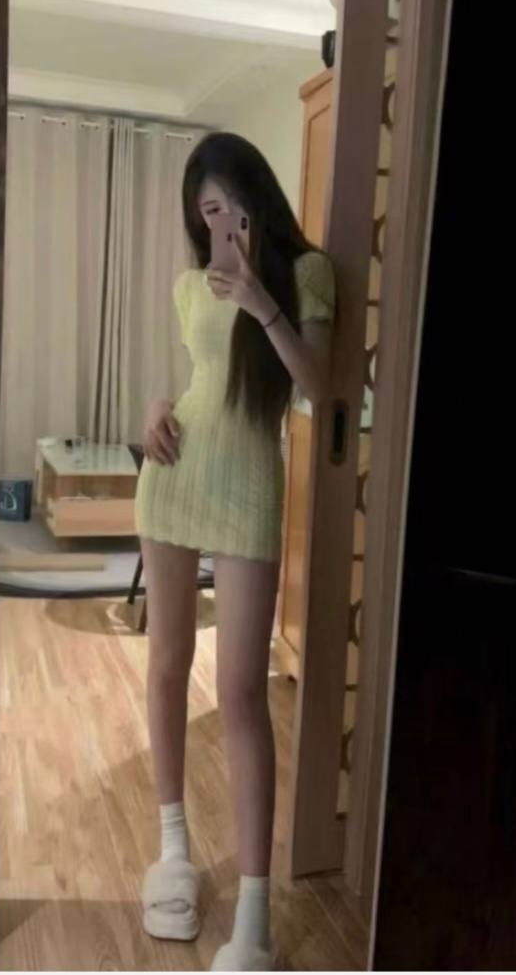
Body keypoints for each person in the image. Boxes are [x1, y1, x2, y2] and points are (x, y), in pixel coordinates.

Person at [135, 131, 336, 971]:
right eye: (206, 212)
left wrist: (262, 301)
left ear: (259, 200)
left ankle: (254, 913)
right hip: (174, 476)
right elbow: (200, 381)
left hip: (250, 489)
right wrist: (156, 410)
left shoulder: (307, 272)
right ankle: (172, 851)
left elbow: (320, 388)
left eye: (231, 206)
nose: (219, 224)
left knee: (244, 692)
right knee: (167, 664)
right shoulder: (191, 286)